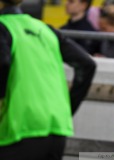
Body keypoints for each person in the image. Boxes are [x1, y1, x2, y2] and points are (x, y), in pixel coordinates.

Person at [0, 0, 96, 159]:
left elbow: (2, 63)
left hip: (19, 128)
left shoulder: (3, 27)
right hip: (56, 129)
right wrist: (67, 108)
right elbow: (86, 64)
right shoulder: (45, 29)